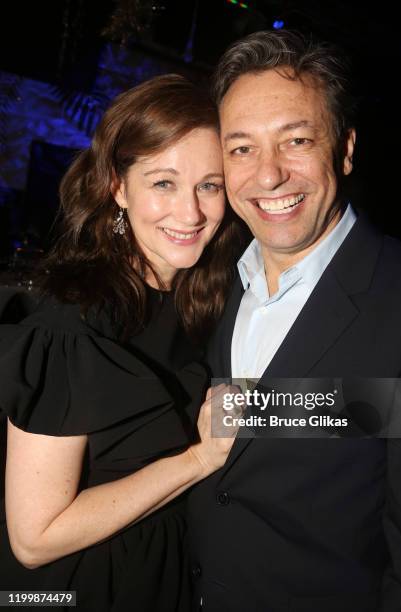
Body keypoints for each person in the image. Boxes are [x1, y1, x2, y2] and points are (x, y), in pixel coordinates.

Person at [187, 30, 401, 611]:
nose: (268, 175)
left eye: (296, 140)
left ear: (345, 147)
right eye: (241, 148)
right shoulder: (207, 277)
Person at [0, 74, 243, 611]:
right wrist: (199, 461)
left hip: (166, 575)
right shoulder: (71, 326)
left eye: (210, 184)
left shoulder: (207, 299)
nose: (191, 213)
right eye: (163, 182)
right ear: (117, 186)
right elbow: (35, 539)